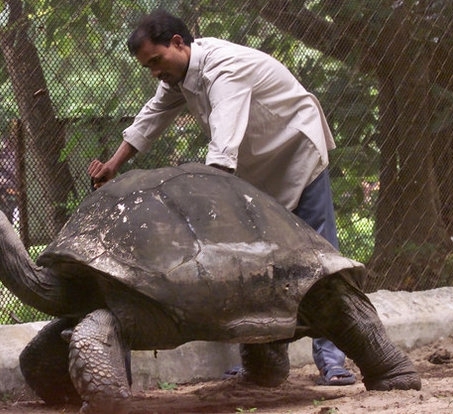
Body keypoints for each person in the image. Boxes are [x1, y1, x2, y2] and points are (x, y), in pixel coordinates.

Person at [88, 9, 355, 387]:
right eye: (147, 66)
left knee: (322, 261)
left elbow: (223, 149)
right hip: (256, 171)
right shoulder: (179, 76)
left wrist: (204, 206)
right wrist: (113, 165)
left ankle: (334, 360)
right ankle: (262, 363)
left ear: (178, 43)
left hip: (296, 154)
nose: (154, 72)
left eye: (156, 61)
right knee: (257, 265)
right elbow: (151, 117)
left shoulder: (225, 70)